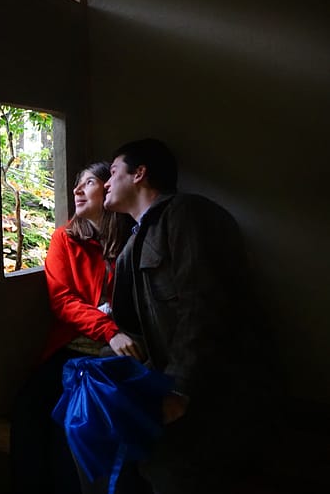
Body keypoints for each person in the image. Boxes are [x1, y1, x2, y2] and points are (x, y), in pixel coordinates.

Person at [103, 138, 273, 494]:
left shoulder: (187, 214)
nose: (105, 181)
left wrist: (180, 387)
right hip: (170, 396)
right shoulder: (132, 244)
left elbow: (205, 304)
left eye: (114, 171)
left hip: (209, 399)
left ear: (140, 174)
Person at [10, 161, 142, 494]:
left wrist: (116, 333)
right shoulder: (64, 239)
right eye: (76, 184)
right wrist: (110, 329)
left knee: (72, 423)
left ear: (108, 187)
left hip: (112, 354)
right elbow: (63, 302)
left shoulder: (131, 237)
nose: (77, 190)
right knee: (28, 409)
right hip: (71, 348)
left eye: (88, 183)